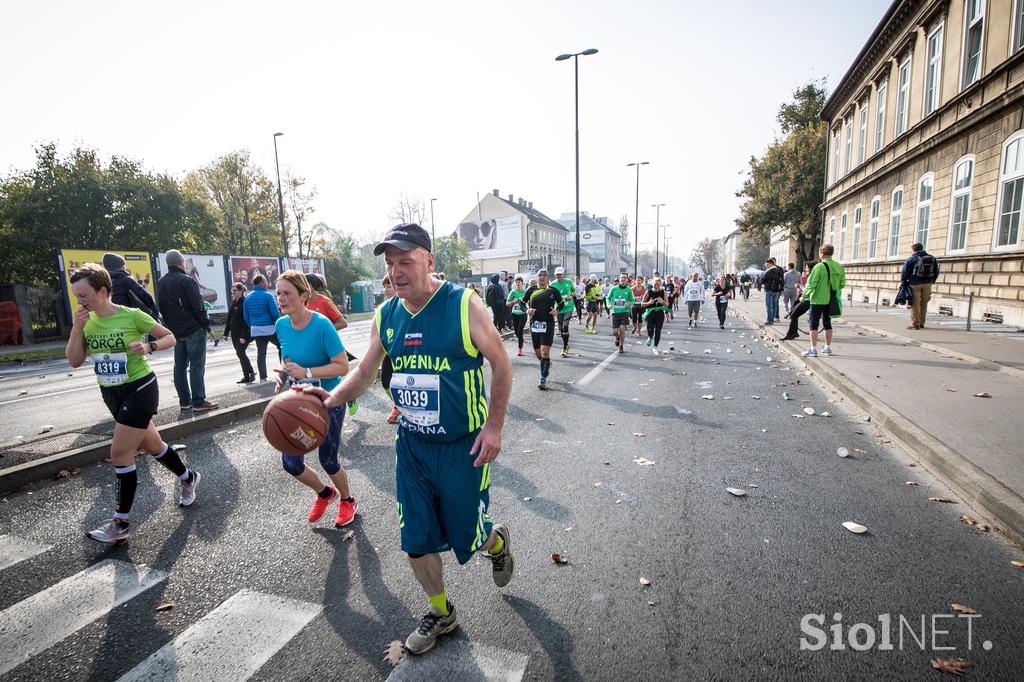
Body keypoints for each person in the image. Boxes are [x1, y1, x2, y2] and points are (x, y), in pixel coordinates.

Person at [305, 223, 514, 656]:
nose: (397, 272)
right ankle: (441, 612)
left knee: (468, 535)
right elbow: (363, 370)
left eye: (406, 261)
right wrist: (332, 397)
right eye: (390, 264)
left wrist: (493, 427)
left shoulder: (463, 305)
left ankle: (495, 543)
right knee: (415, 538)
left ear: (429, 261)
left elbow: (501, 362)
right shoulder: (387, 314)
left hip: (464, 446)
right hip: (413, 447)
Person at [65, 264, 199, 543]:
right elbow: (74, 360)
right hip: (112, 392)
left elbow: (169, 336)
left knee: (119, 453)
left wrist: (149, 347)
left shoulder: (131, 315)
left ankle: (120, 523)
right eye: (77, 296)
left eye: (85, 294)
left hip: (140, 387)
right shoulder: (85, 321)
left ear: (103, 291)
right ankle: (188, 477)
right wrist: (77, 328)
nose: (81, 301)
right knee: (153, 446)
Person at [272, 271, 358, 528]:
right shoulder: (281, 325)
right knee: (290, 462)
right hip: (298, 402)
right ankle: (324, 493)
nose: (281, 298)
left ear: (303, 295)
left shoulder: (321, 325)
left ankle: (347, 500)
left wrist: (308, 372)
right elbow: (288, 359)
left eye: (287, 293)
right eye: (278, 293)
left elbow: (342, 366)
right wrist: (283, 373)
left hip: (328, 400)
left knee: (328, 460)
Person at [156, 250, 218, 412]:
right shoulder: (187, 280)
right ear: (181, 263)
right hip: (193, 329)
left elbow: (161, 307)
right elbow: (198, 307)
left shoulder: (162, 282)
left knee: (180, 367)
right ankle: (199, 401)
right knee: (197, 365)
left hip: (175, 331)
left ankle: (185, 401)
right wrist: (206, 326)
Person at [306, 273, 359, 417]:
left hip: (329, 348)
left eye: (304, 283)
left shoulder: (324, 301)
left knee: (335, 378)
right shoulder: (301, 302)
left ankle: (349, 396)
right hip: (312, 349)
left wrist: (324, 332)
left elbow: (343, 322)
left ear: (312, 286)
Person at [801, 245, 846, 357]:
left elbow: (811, 284)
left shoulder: (819, 267)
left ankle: (813, 349)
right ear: (832, 253)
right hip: (831, 299)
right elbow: (842, 284)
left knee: (814, 324)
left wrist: (804, 296)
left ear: (821, 253)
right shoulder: (839, 267)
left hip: (817, 299)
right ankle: (827, 347)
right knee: (827, 323)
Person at [524, 269, 564, 389]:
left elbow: (561, 304)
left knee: (545, 351)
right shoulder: (531, 290)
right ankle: (546, 363)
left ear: (548, 277)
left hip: (548, 324)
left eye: (544, 275)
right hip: (534, 325)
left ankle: (543, 378)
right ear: (537, 278)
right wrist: (527, 310)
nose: (542, 277)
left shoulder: (553, 291)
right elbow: (522, 303)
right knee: (538, 353)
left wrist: (557, 310)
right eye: (540, 275)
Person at [244, 273, 281, 382]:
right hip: (270, 328)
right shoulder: (268, 296)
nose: (267, 283)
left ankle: (263, 377)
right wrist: (279, 325)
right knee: (282, 347)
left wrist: (253, 325)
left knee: (261, 353)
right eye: (265, 281)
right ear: (261, 282)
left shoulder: (248, 297)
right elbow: (275, 314)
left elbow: (246, 316)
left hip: (256, 329)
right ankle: (286, 371)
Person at [103, 253, 157, 319]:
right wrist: (155, 312)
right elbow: (145, 296)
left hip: (107, 317)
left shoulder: (101, 281)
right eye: (123, 265)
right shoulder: (126, 279)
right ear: (120, 267)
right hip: (126, 316)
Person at [901, 242, 940, 330]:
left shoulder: (911, 259)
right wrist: (932, 281)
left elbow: (904, 272)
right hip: (928, 284)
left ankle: (916, 323)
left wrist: (903, 284)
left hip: (914, 284)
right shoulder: (932, 258)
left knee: (915, 304)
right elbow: (937, 271)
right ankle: (922, 322)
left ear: (913, 250)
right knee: (924, 303)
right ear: (922, 248)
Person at [380, 275, 401, 423]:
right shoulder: (383, 309)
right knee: (386, 383)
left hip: (404, 353)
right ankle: (398, 404)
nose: (386, 289)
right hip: (388, 352)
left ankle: (402, 406)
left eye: (389, 286)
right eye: (384, 286)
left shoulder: (406, 306)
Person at [224, 282, 254, 383]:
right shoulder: (234, 302)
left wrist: (243, 335)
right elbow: (229, 318)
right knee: (240, 354)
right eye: (232, 291)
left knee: (240, 352)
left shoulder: (244, 302)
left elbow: (246, 320)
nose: (233, 292)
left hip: (243, 333)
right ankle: (247, 376)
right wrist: (226, 332)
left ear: (241, 291)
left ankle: (250, 373)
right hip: (234, 333)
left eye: (235, 290)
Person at [781, 261, 814, 342]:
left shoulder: (812, 276)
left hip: (808, 299)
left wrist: (800, 287)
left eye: (806, 267)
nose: (805, 269)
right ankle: (793, 333)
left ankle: (792, 333)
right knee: (793, 313)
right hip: (806, 298)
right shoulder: (807, 275)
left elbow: (809, 289)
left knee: (794, 314)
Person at [550, 267, 576, 358]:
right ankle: (566, 344)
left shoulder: (568, 282)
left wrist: (571, 296)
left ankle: (565, 347)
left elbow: (574, 292)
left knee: (565, 326)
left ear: (563, 274)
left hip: (569, 307)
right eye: (557, 275)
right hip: (559, 308)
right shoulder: (552, 284)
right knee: (561, 330)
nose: (558, 276)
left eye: (560, 274)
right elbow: (550, 296)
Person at [606, 273, 635, 353]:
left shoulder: (629, 289)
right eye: (622, 278)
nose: (623, 279)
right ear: (619, 279)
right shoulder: (614, 288)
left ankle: (621, 346)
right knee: (615, 332)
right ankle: (617, 338)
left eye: (625, 278)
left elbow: (632, 300)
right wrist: (609, 305)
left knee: (622, 330)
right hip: (615, 312)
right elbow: (608, 298)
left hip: (624, 312)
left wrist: (629, 304)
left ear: (627, 280)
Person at [641, 277, 670, 354]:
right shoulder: (648, 292)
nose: (656, 286)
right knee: (650, 329)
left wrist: (662, 301)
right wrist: (649, 303)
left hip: (659, 313)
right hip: (650, 313)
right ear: (652, 284)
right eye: (655, 284)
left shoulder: (663, 292)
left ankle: (655, 347)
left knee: (658, 331)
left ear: (660, 285)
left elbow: (667, 304)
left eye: (658, 284)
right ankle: (650, 337)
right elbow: (642, 304)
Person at [506, 276, 528, 357]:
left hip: (523, 314)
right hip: (515, 314)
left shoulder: (525, 292)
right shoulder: (513, 292)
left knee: (520, 331)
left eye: (519, 282)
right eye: (516, 282)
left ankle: (520, 350)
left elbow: (530, 301)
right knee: (516, 332)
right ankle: (521, 338)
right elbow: (507, 303)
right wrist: (513, 302)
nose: (518, 284)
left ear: (522, 283)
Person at [761, 258, 785, 325]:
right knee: (774, 305)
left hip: (769, 290)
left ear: (771, 264)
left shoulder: (768, 271)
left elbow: (763, 281)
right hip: (777, 290)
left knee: (768, 305)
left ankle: (769, 320)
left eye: (767, 265)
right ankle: (773, 318)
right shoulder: (779, 270)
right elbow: (782, 280)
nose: (767, 266)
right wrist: (781, 289)